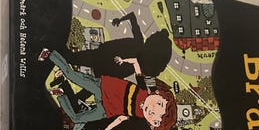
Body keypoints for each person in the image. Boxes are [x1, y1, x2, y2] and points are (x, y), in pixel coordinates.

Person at [41, 49, 177, 130]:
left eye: (155, 121)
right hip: (104, 89)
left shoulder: (139, 117)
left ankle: (62, 95)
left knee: (76, 118)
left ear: (152, 125)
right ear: (159, 94)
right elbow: (136, 62)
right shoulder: (147, 87)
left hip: (105, 110)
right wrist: (123, 60)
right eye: (159, 104)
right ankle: (50, 54)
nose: (152, 111)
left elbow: (121, 118)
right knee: (72, 75)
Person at [39, 11, 172, 80]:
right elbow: (132, 16)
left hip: (102, 62)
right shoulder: (139, 53)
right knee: (72, 59)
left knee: (73, 60)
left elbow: (132, 17)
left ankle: (50, 46)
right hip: (101, 60)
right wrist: (120, 19)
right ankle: (50, 46)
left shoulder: (139, 48)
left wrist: (120, 20)